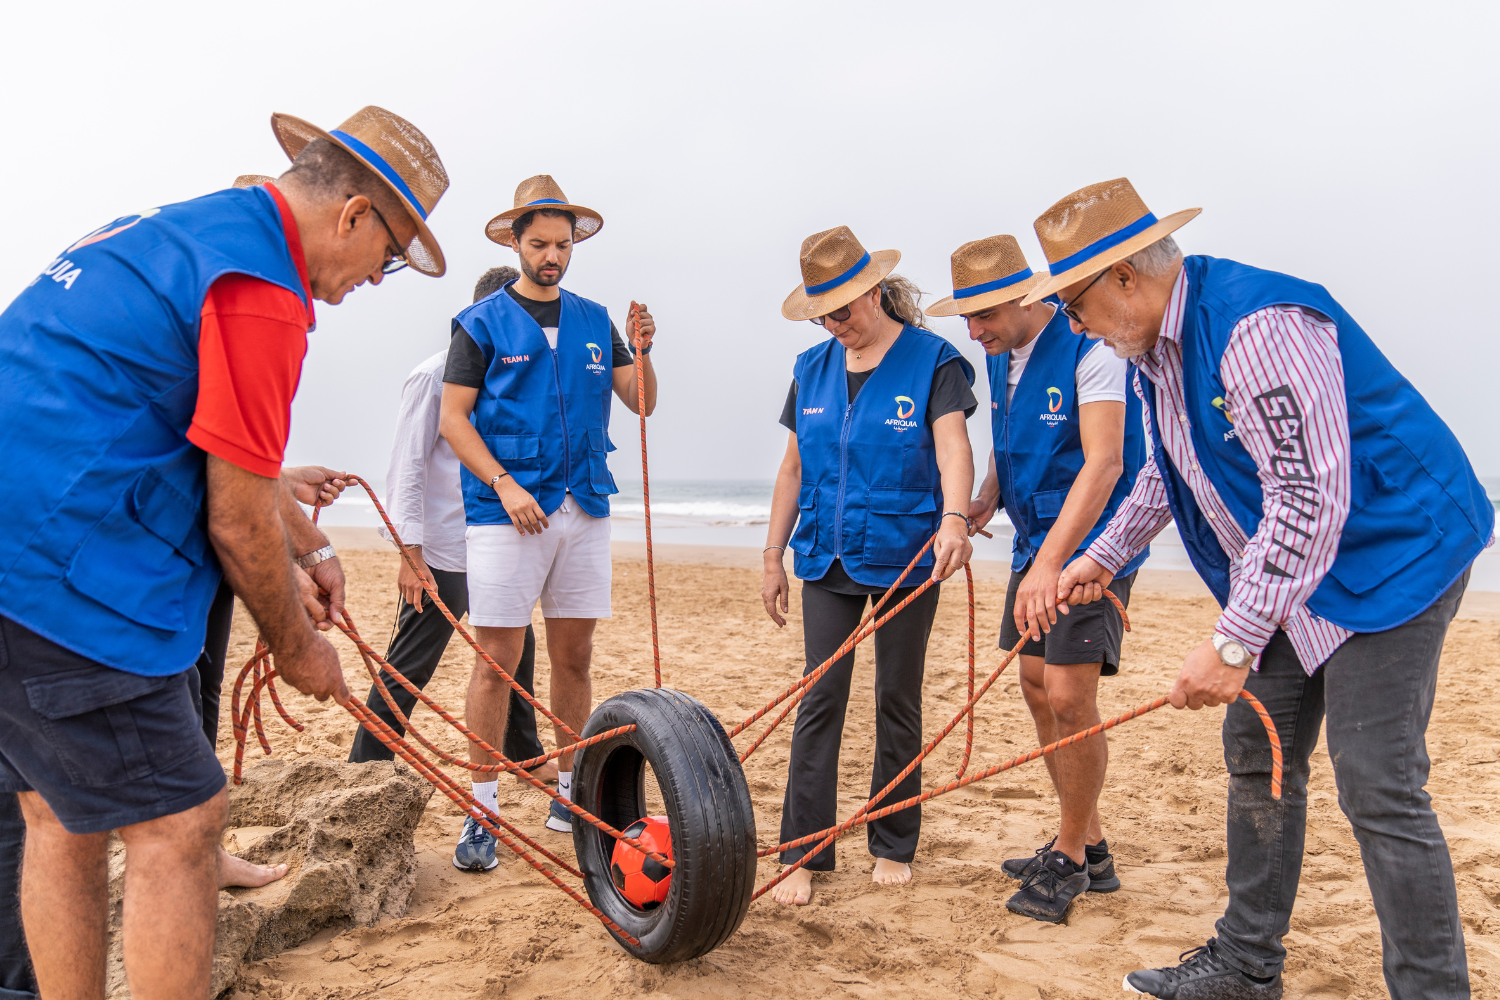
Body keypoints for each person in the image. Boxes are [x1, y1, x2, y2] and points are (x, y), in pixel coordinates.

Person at [0, 105, 449, 999]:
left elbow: (193, 442)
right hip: (58, 572)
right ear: (354, 214)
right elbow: (235, 521)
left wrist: (300, 545)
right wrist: (298, 645)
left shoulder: (180, 229)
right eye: (389, 256)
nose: (376, 278)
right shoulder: (262, 287)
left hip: (17, 548)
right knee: (184, 823)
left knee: (59, 811)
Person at [1032, 178, 1492, 999]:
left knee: (1379, 781)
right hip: (1297, 562)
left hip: (1394, 554)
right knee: (1259, 754)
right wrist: (1104, 555)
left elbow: (1310, 497)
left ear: (1126, 280)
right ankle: (1246, 964)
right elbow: (1170, 470)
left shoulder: (1257, 328)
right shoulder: (1150, 350)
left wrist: (1233, 641)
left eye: (1075, 305)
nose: (1073, 325)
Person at [925, 234, 1148, 922]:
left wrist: (1053, 563)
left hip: (1092, 546)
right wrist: (988, 491)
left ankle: (1073, 859)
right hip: (1035, 540)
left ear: (1026, 298)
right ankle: (1090, 843)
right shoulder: (1000, 354)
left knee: (1069, 694)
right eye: (965, 317)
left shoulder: (1093, 351)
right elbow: (1014, 437)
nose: (973, 330)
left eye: (983, 315)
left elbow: (1106, 462)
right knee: (1032, 685)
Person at [440, 175, 658, 871]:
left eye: (563, 245)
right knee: (495, 662)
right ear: (515, 241)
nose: (552, 256)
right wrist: (503, 485)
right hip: (507, 513)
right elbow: (453, 420)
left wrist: (645, 349)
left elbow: (641, 403)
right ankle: (483, 811)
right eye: (539, 244)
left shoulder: (596, 321)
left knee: (575, 659)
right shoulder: (478, 324)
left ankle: (569, 790)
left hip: (585, 506)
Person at [762, 226, 976, 906]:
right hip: (825, 554)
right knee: (819, 697)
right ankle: (804, 852)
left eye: (845, 310)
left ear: (875, 293)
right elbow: (793, 468)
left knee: (896, 697)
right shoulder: (810, 368)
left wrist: (955, 518)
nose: (836, 325)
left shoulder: (934, 361)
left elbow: (953, 449)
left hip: (906, 553)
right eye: (823, 314)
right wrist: (771, 556)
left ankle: (892, 841)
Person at [348, 264, 556, 788]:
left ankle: (525, 755)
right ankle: (366, 767)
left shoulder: (516, 377)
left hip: (499, 541)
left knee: (517, 654)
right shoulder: (432, 374)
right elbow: (407, 469)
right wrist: (409, 554)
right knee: (411, 662)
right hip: (443, 548)